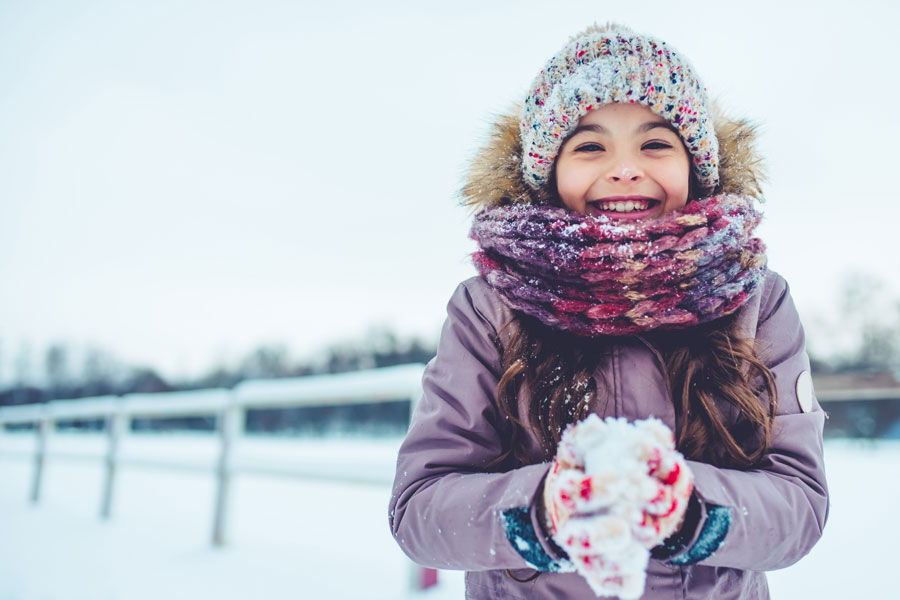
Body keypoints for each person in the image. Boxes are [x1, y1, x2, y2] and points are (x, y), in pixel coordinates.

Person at [388, 23, 828, 599]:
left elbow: (800, 501)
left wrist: (693, 510)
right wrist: (542, 511)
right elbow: (420, 509)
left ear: (696, 166)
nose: (624, 168)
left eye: (655, 143)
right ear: (547, 171)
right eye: (590, 145)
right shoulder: (488, 308)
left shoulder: (757, 300)